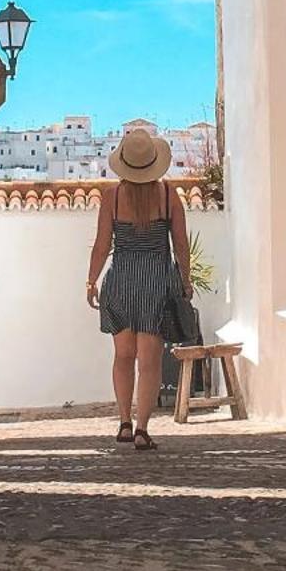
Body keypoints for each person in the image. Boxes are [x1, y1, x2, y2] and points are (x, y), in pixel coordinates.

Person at [85, 128, 191, 450]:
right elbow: (181, 246)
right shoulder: (169, 195)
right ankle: (143, 428)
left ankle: (124, 423)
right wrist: (184, 280)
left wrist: (91, 280)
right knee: (149, 361)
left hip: (121, 280)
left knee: (122, 355)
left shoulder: (112, 198)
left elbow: (102, 245)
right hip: (157, 280)